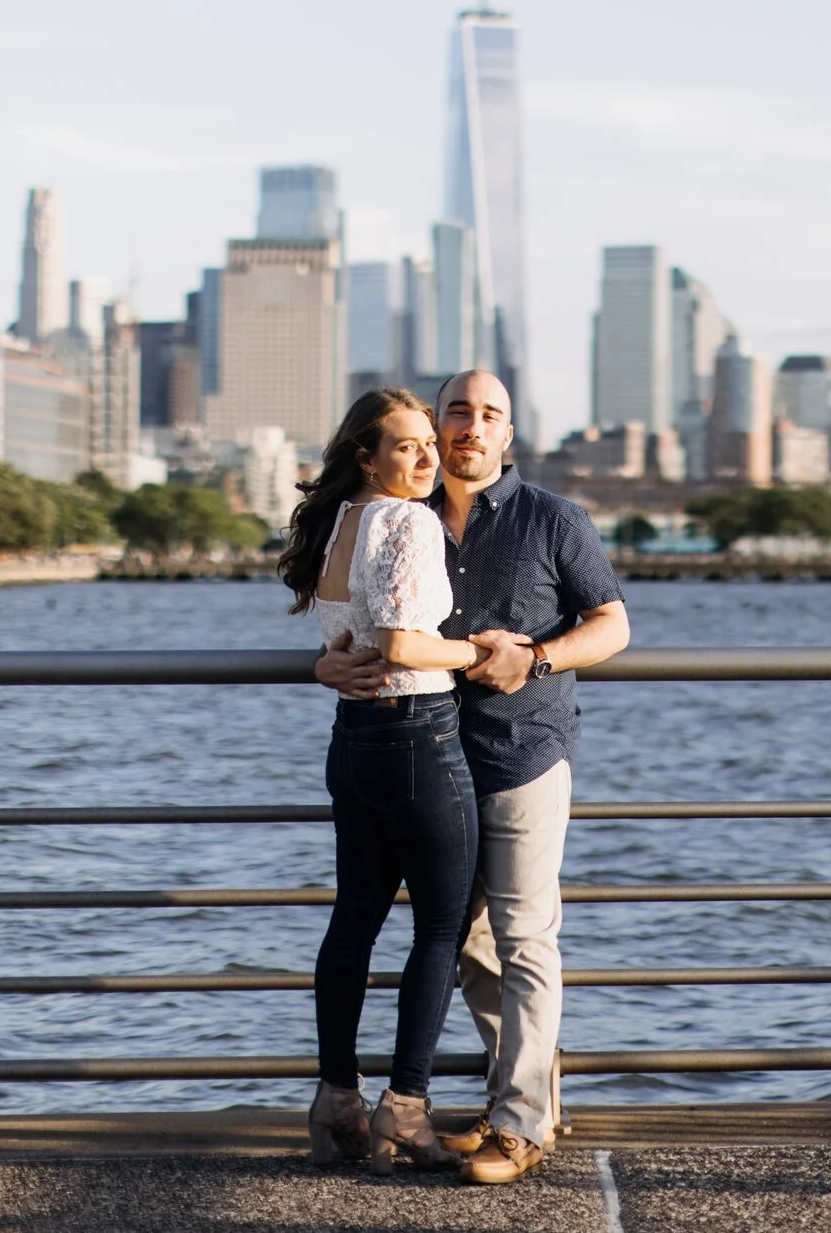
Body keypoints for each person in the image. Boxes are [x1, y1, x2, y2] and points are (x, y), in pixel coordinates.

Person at [317, 369, 630, 1186]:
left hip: (521, 751)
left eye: (490, 414)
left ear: (508, 434)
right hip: (427, 759)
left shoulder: (553, 518)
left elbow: (612, 624)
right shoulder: (403, 508)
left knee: (523, 937)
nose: (471, 426)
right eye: (458, 410)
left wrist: (538, 657)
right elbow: (362, 622)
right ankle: (521, 1101)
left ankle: (522, 1125)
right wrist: (326, 663)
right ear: (437, 421)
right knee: (469, 946)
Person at [280, 387, 526, 1174]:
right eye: (406, 445)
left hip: (354, 741)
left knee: (353, 921)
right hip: (419, 738)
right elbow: (401, 644)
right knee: (441, 928)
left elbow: (354, 638)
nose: (426, 457)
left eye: (428, 442)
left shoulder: (339, 520)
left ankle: (336, 1101)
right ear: (366, 455)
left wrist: (325, 665)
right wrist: (486, 651)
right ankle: (405, 1109)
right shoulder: (409, 521)